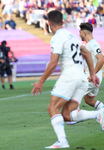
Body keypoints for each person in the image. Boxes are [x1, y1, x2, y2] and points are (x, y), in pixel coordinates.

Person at [31, 10, 104, 149]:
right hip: (82, 79)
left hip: (69, 76)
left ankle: (62, 141)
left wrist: (41, 81)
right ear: (63, 22)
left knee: (52, 107)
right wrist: (93, 74)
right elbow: (87, 53)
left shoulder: (57, 37)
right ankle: (98, 114)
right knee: (67, 114)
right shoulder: (72, 36)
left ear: (49, 23)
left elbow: (53, 63)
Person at [79, 23, 104, 110]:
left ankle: (72, 117)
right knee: (88, 100)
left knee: (73, 93)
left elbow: (101, 59)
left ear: (84, 33)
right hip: (94, 78)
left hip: (92, 79)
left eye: (80, 32)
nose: (79, 34)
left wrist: (92, 74)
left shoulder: (93, 44)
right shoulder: (89, 45)